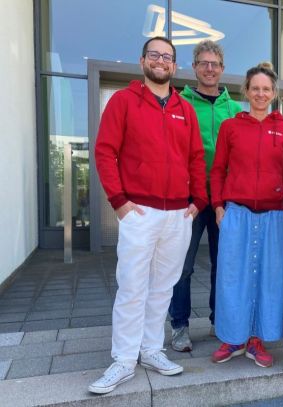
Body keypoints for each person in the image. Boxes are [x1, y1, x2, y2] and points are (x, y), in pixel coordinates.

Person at [90, 37, 207, 394]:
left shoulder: (184, 108)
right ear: (142, 61)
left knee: (163, 287)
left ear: (174, 65)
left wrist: (198, 200)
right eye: (154, 55)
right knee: (132, 286)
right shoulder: (123, 101)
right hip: (139, 212)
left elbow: (196, 157)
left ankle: (151, 349)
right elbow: (105, 151)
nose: (160, 61)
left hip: (178, 215)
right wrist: (119, 201)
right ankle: (124, 359)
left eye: (167, 56)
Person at [209, 62, 283, 368]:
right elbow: (218, 170)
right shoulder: (230, 127)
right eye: (255, 88)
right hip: (237, 213)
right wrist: (218, 206)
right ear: (246, 91)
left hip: (273, 216)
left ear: (274, 93)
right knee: (232, 277)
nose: (260, 94)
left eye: (266, 89)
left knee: (269, 278)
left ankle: (257, 339)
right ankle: (234, 338)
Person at [168, 39, 242, 352]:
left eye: (215, 64)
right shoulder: (180, 104)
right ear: (194, 67)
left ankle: (219, 321)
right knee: (182, 266)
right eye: (204, 63)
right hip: (190, 199)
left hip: (225, 201)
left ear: (222, 69)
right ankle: (180, 326)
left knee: (223, 265)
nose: (209, 69)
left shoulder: (235, 110)